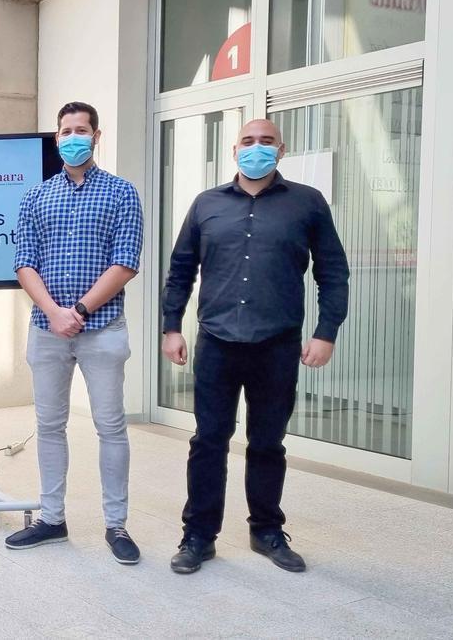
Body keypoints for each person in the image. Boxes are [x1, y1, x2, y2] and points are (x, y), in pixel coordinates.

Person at [162, 119, 349, 575]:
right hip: (217, 343)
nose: (257, 148)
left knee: (267, 442)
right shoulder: (207, 204)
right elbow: (181, 268)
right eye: (249, 141)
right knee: (208, 441)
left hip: (277, 344)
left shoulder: (307, 203)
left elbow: (332, 272)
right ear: (234, 150)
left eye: (267, 142)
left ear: (281, 151)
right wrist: (172, 326)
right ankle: (198, 536)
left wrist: (326, 332)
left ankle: (266, 530)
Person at [4, 102, 144, 565]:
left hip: (102, 329)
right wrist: (53, 312)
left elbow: (125, 263)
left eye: (81, 130)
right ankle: (51, 518)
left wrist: (79, 310)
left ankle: (116, 525)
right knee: (48, 426)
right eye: (65, 131)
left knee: (111, 427)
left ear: (97, 135)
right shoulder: (36, 196)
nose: (72, 137)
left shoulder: (123, 193)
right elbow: (24, 262)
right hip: (46, 330)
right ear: (57, 137)